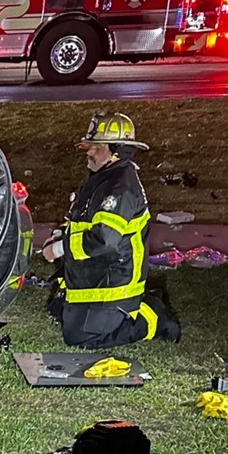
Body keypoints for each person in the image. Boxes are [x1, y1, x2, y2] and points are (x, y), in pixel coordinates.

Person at [42, 112, 180, 349]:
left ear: (116, 150)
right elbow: (82, 221)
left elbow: (104, 240)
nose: (89, 151)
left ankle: (152, 317)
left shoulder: (120, 187)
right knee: (57, 312)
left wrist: (59, 248)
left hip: (114, 283)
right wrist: (62, 234)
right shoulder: (102, 178)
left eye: (97, 147)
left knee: (79, 338)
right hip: (94, 278)